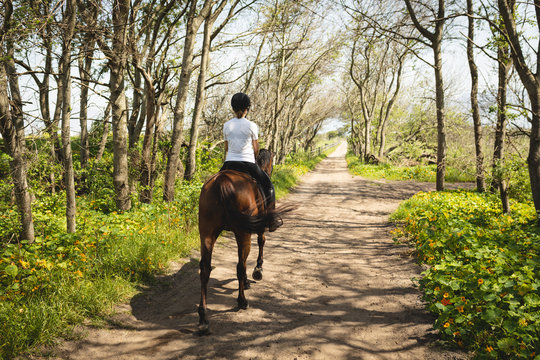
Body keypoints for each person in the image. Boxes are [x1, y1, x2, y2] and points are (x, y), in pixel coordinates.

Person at [220, 92, 279, 230]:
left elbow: (227, 147)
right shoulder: (252, 125)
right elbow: (256, 149)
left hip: (229, 163)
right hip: (248, 163)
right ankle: (271, 220)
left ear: (233, 108)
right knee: (269, 187)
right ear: (247, 108)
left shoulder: (227, 125)